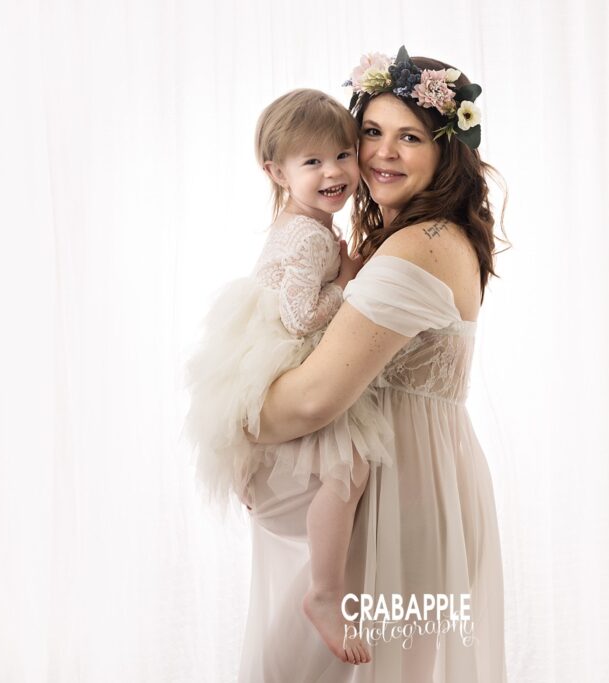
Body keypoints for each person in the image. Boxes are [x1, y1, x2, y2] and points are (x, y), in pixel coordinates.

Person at [241, 47, 508, 682]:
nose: (382, 152)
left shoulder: (419, 246)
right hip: (404, 484)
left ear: (447, 151)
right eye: (370, 133)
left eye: (409, 137)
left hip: (402, 495)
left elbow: (313, 400)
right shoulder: (415, 239)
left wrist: (240, 426)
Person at [182, 88, 395, 666]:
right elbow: (301, 314)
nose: (333, 172)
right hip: (285, 355)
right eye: (312, 162)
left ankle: (265, 491)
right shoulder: (306, 234)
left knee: (333, 467)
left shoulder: (309, 224)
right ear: (276, 171)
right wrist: (352, 285)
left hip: (280, 355)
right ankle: (324, 594)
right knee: (346, 472)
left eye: (343, 156)